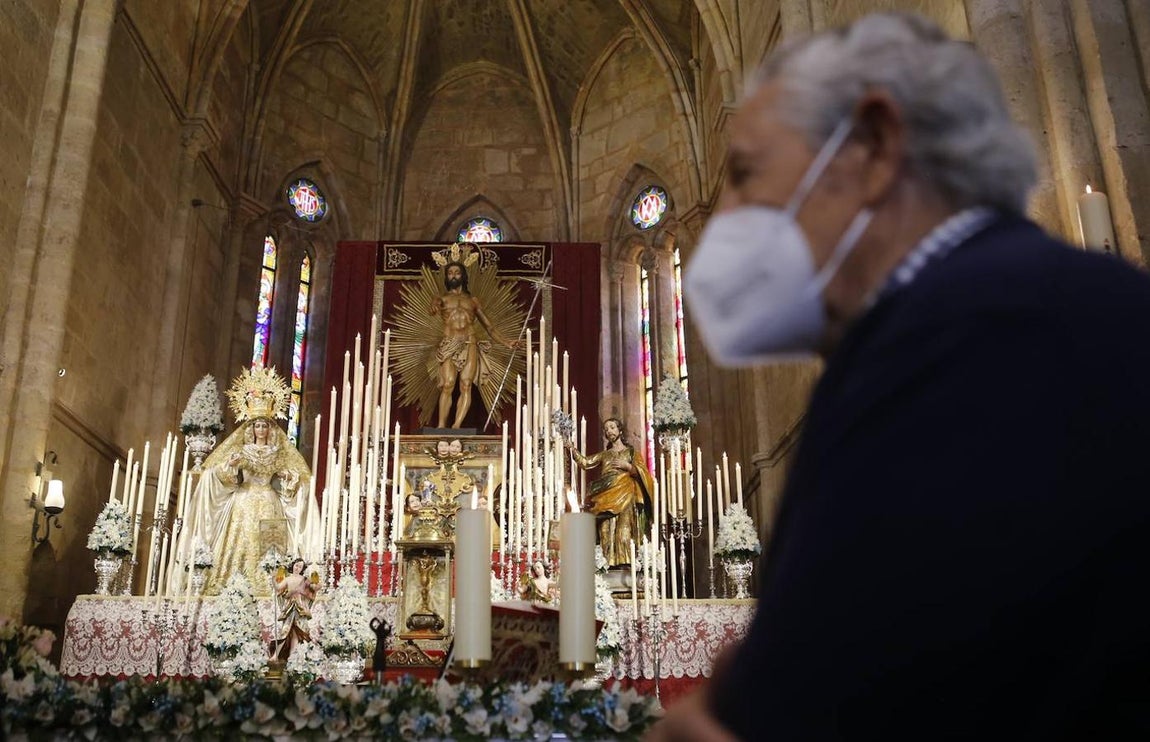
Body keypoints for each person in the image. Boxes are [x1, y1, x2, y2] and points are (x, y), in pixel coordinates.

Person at [649, 12, 1150, 741]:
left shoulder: (973, 344)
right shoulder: (993, 315)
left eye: (746, 176)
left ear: (873, 147)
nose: (722, 220)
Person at [194, 367, 317, 596]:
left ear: (270, 428)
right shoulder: (242, 449)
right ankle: (231, 583)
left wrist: (290, 478)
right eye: (257, 425)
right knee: (239, 542)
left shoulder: (278, 452)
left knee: (270, 548)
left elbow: (294, 476)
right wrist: (230, 466)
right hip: (244, 500)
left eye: (264, 425)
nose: (260, 429)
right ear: (251, 428)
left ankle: (272, 585)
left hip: (270, 501)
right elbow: (222, 473)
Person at [429, 260, 517, 428]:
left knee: (466, 384)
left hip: (470, 342)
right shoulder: (442, 298)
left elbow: (489, 327)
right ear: (446, 277)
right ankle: (441, 426)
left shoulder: (473, 301)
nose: (453, 275)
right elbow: (433, 307)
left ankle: (456, 426)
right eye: (450, 273)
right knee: (447, 383)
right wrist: (434, 305)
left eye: (457, 272)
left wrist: (507, 342)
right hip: (450, 343)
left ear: (463, 276)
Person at [568, 418, 654, 567]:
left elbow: (644, 474)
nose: (609, 431)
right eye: (606, 429)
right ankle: (607, 566)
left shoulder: (632, 453)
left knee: (624, 532)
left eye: (612, 427)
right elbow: (585, 462)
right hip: (605, 497)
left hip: (626, 495)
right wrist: (571, 448)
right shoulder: (604, 455)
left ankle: (626, 567)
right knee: (605, 532)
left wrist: (628, 466)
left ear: (620, 430)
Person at [273, 558, 315, 660]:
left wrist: (313, 583)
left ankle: (293, 656)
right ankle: (276, 655)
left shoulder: (304, 579)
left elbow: (313, 590)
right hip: (289, 607)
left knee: (298, 631)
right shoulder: (287, 579)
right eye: (296, 565)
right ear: (293, 566)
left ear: (302, 569)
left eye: (300, 566)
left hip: (300, 607)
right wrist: (273, 578)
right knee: (285, 631)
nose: (297, 568)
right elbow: (278, 588)